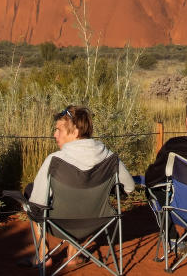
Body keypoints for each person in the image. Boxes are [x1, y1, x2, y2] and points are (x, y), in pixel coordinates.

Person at [25, 105, 136, 267]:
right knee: (84, 198)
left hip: (59, 224)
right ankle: (73, 254)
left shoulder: (54, 161)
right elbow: (129, 188)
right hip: (97, 222)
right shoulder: (110, 159)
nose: (55, 134)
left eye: (59, 130)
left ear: (75, 132)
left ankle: (43, 255)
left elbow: (37, 202)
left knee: (30, 193)